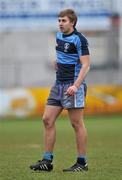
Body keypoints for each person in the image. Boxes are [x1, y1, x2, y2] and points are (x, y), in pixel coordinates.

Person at [30, 9, 90, 172]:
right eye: (59, 21)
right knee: (47, 119)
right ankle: (47, 161)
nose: (60, 24)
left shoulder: (80, 39)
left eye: (63, 21)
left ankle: (81, 163)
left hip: (73, 85)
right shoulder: (58, 36)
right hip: (58, 84)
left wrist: (76, 86)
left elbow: (86, 64)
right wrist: (58, 61)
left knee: (76, 124)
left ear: (72, 22)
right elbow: (66, 55)